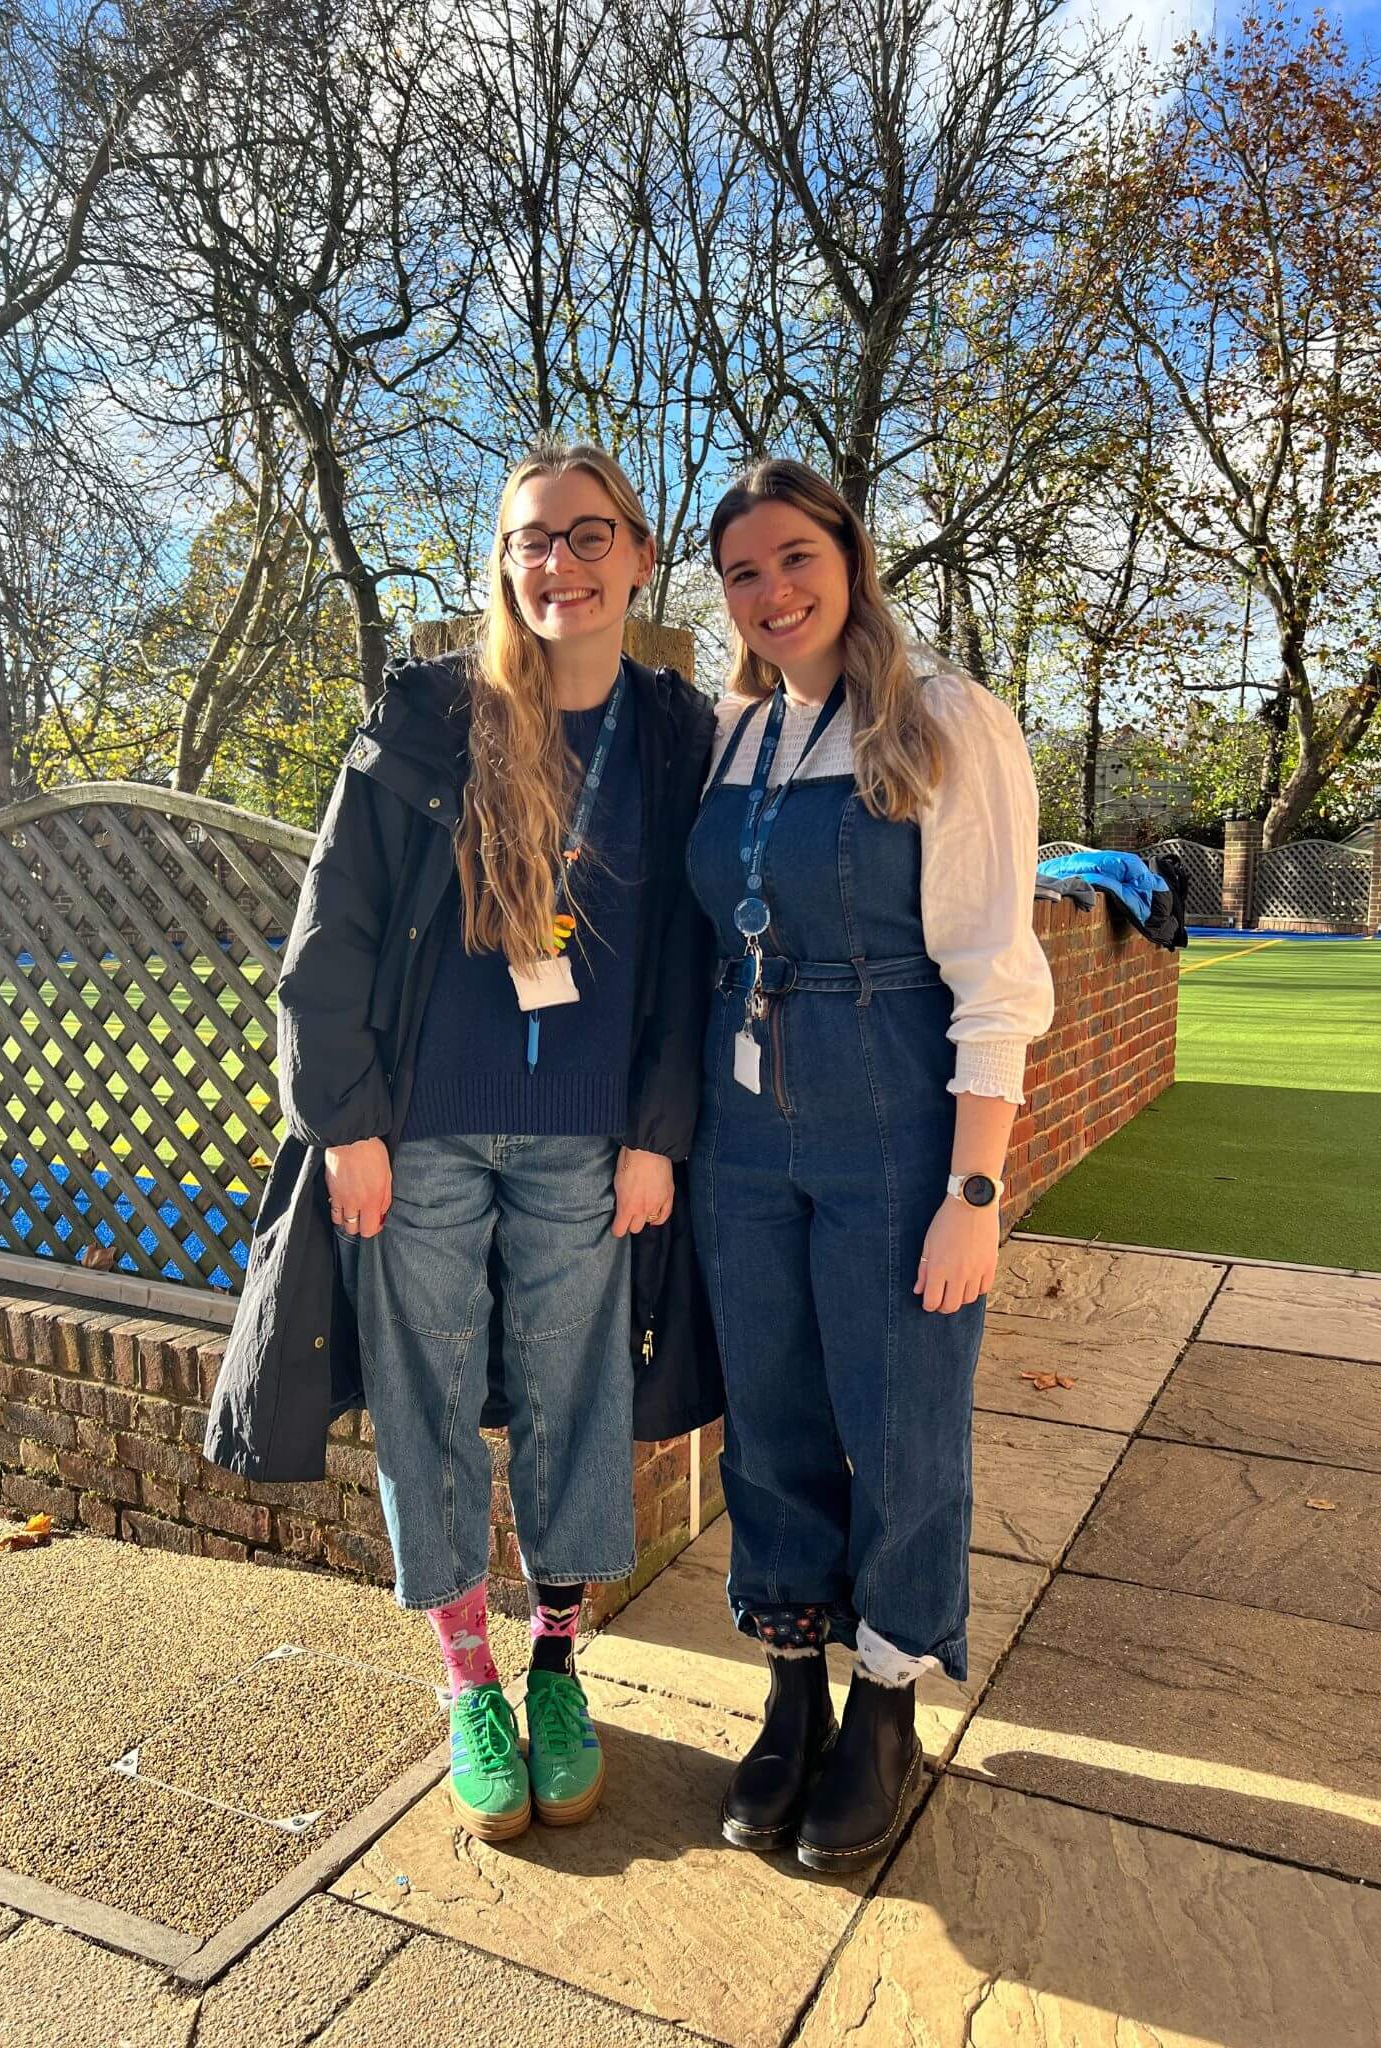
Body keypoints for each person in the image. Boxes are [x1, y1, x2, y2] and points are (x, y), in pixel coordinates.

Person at [205, 441, 718, 1844]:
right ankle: (465, 1683)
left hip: (587, 1147)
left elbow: (688, 953)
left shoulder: (673, 729)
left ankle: (556, 1667)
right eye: (531, 539)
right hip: (417, 1143)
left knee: (573, 1407)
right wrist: (345, 1126)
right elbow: (331, 934)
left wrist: (657, 1134)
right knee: (426, 1412)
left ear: (636, 550)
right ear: (503, 559)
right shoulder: (430, 713)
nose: (558, 562)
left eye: (587, 535)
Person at [686, 459, 1054, 1871]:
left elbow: (993, 973)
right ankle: (789, 1682)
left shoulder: (944, 719)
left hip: (896, 1111)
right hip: (742, 1128)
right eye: (742, 572)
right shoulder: (732, 735)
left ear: (847, 557)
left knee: (900, 1421)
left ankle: (885, 1700)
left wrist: (973, 1192)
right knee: (769, 1415)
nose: (773, 591)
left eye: (795, 559)